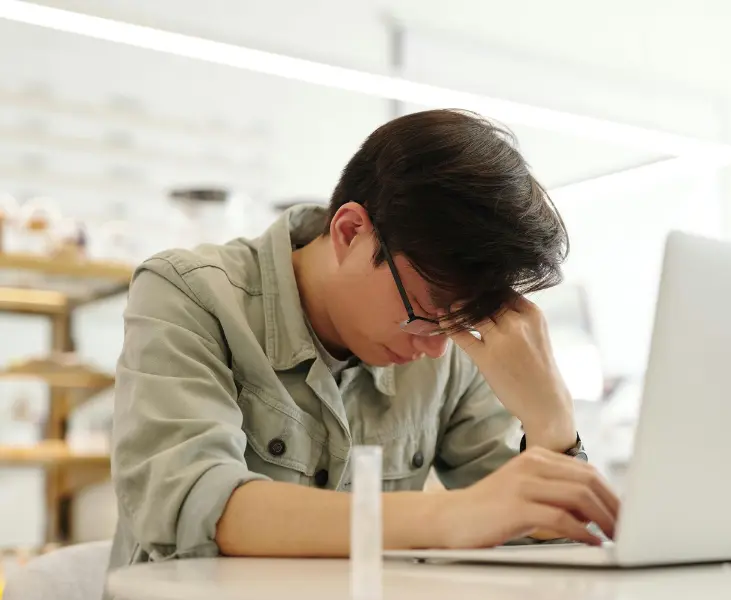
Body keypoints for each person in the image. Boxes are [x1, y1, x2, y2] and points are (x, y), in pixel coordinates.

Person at [107, 109, 619, 577]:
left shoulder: (442, 341)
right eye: (425, 307)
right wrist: (453, 516)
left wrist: (552, 424)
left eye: (458, 320)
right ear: (351, 231)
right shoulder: (188, 292)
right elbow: (195, 506)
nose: (437, 347)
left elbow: (541, 532)